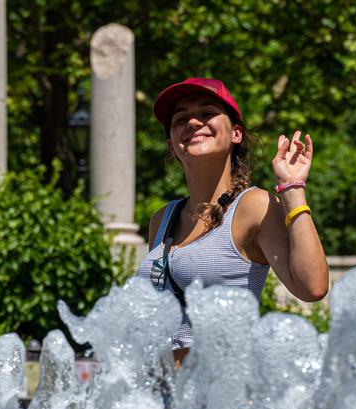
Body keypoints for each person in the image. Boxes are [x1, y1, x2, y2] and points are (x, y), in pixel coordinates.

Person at [136, 78, 329, 367]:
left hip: (221, 396)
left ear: (236, 133)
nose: (192, 122)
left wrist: (293, 190)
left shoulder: (254, 206)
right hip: (163, 396)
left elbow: (312, 287)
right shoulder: (162, 219)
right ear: (172, 146)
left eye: (207, 113)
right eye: (180, 119)